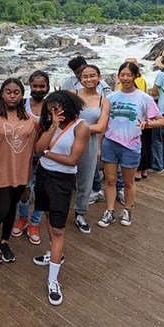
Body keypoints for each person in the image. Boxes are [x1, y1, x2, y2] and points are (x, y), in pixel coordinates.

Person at [32, 91, 89, 305]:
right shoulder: (50, 124)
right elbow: (37, 148)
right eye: (51, 110)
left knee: (58, 229)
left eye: (58, 109)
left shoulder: (80, 127)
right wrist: (53, 126)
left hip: (62, 180)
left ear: (68, 106)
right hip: (44, 176)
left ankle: (53, 280)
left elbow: (72, 160)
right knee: (48, 216)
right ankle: (55, 254)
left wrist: (47, 153)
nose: (54, 113)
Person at [0, 78, 39, 265]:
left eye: (16, 92)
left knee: (12, 209)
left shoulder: (28, 119)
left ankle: (4, 242)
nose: (12, 95)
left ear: (22, 95)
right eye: (8, 92)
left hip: (20, 173)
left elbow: (33, 147)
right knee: (0, 210)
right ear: (2, 93)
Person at [98, 62, 164, 228]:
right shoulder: (111, 98)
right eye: (122, 75)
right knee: (110, 180)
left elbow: (162, 121)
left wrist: (147, 123)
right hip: (110, 143)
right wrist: (99, 146)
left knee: (128, 182)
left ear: (136, 76)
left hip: (131, 145)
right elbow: (103, 123)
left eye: (129, 75)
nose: (125, 78)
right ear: (118, 76)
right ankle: (110, 211)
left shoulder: (144, 98)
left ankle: (127, 209)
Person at [12, 70, 50, 244]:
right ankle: (22, 217)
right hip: (25, 156)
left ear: (48, 87)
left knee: (42, 191)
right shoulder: (23, 104)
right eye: (35, 86)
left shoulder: (51, 106)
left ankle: (34, 223)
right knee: (25, 189)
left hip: (46, 156)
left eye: (42, 86)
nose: (38, 89)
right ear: (30, 86)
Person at [73, 65, 111, 234]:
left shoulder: (104, 101)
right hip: (68, 143)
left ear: (99, 77)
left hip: (90, 144)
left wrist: (77, 127)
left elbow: (101, 126)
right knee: (63, 178)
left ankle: (80, 213)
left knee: (86, 180)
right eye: (85, 76)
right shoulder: (73, 95)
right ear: (80, 78)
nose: (88, 79)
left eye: (92, 76)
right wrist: (88, 127)